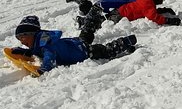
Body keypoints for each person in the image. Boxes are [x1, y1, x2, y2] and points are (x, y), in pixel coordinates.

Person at [8, 15, 139, 76]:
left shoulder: (46, 44)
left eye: (23, 37)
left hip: (83, 52)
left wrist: (43, 70)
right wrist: (24, 52)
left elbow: (49, 57)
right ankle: (93, 19)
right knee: (85, 35)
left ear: (33, 34)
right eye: (18, 38)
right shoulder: (39, 41)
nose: (21, 41)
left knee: (106, 51)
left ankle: (126, 41)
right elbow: (36, 50)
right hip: (74, 43)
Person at [66, 0, 182, 44]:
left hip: (121, 10)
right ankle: (83, 20)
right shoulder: (148, 3)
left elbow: (147, 10)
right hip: (121, 15)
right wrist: (169, 20)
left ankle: (84, 11)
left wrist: (162, 10)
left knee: (102, 18)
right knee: (102, 23)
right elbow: (153, 17)